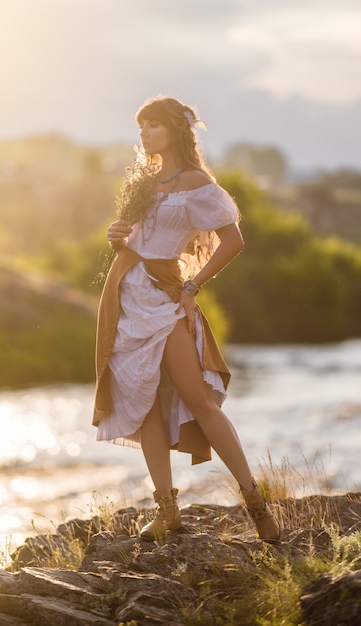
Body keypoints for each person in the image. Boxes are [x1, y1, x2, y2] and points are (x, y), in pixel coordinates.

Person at [93, 95, 280, 542]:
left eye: (153, 126)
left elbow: (232, 241)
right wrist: (116, 234)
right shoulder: (142, 180)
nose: (144, 134)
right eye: (141, 127)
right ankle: (167, 511)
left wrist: (195, 288)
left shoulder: (196, 182)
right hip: (126, 297)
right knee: (145, 407)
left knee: (198, 399)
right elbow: (131, 237)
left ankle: (256, 507)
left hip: (165, 297)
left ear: (175, 130)